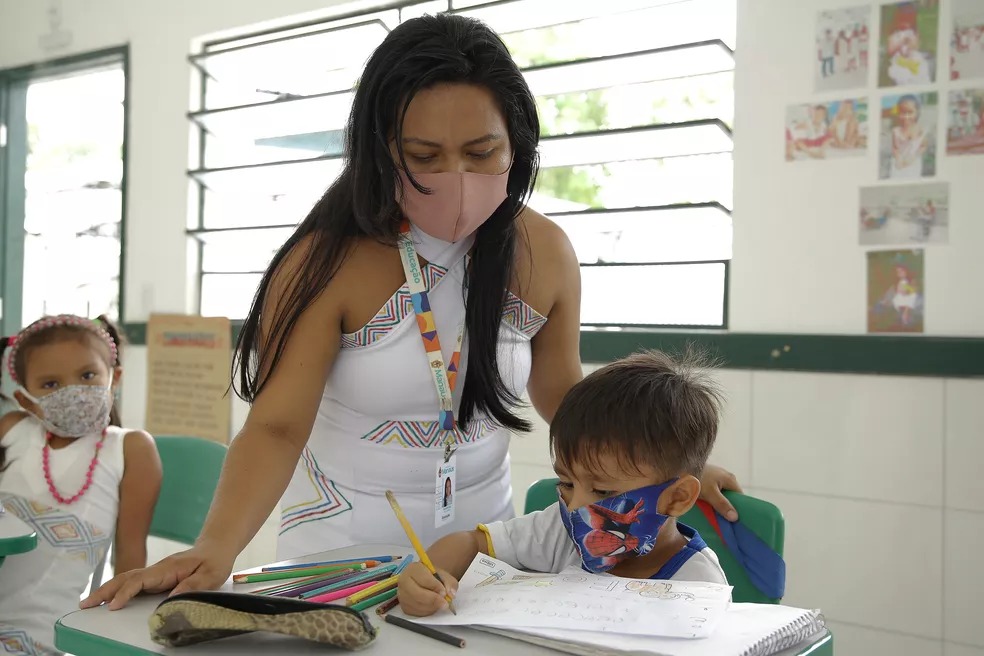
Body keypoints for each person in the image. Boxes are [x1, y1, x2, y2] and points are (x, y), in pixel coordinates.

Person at [83, 13, 742, 612]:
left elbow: (561, 391)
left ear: (518, 145)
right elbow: (278, 427)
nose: (455, 176)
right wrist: (216, 546)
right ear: (381, 151)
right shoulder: (328, 261)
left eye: (481, 154)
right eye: (424, 157)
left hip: (481, 554)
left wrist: (661, 466)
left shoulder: (544, 251)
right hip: (341, 552)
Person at [398, 350, 727, 617]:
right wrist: (430, 575)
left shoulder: (699, 585)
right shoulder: (560, 531)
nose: (575, 506)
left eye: (602, 491)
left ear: (677, 498)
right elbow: (468, 543)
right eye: (567, 483)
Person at [0, 314, 161, 655]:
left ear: (114, 379)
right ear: (27, 400)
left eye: (87, 376)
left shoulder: (131, 449)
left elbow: (131, 566)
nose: (72, 392)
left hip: (46, 636)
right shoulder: (12, 430)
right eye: (51, 384)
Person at [889, 95, 928, 179]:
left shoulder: (919, 130)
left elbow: (923, 146)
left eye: (910, 112)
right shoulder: (896, 131)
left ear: (917, 112)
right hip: (899, 161)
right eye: (903, 112)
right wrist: (898, 159)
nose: (906, 116)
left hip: (913, 161)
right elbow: (895, 148)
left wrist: (914, 157)